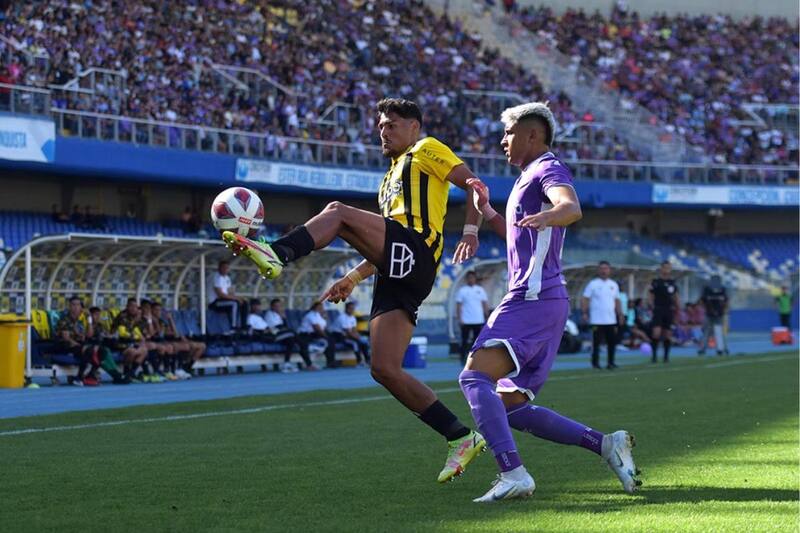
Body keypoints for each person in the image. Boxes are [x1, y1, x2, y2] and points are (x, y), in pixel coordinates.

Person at [223, 98, 485, 483]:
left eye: (392, 124)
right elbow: (383, 243)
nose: (384, 130)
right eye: (380, 125)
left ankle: (277, 253)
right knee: (384, 369)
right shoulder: (388, 180)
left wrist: (471, 230)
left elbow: (475, 185)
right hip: (396, 270)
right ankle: (460, 436)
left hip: (418, 251)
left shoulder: (426, 149)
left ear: (414, 127)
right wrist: (353, 278)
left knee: (338, 211)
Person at [463, 102, 640, 502]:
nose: (502, 140)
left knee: (474, 378)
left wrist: (554, 214)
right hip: (545, 299)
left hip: (532, 296)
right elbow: (520, 233)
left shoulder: (547, 168)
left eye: (509, 133)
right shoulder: (527, 178)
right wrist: (489, 212)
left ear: (532, 135)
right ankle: (605, 444)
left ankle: (513, 473)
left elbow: (570, 207)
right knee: (508, 405)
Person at [581, 261, 622, 369]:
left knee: (611, 342)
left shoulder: (613, 284)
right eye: (602, 268)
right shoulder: (593, 284)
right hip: (596, 320)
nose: (604, 271)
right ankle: (595, 363)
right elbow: (585, 298)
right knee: (596, 343)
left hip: (611, 320)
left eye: (606, 268)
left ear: (609, 270)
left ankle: (611, 362)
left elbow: (617, 300)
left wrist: (620, 314)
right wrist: (584, 312)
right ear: (598, 270)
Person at [54, 296, 100, 386]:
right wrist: (80, 345)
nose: (75, 307)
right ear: (69, 306)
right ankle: (79, 377)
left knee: (101, 350)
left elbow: (89, 335)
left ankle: (90, 375)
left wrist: (89, 320)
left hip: (78, 345)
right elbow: (66, 338)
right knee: (88, 350)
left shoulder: (81, 320)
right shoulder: (64, 319)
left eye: (78, 305)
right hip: (66, 345)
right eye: (73, 305)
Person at [265, 298, 319, 371]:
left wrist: (284, 319)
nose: (278, 308)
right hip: (275, 336)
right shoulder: (269, 314)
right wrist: (283, 320)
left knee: (292, 340)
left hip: (284, 336)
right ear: (272, 307)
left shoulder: (279, 315)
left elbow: (285, 327)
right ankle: (308, 347)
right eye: (276, 306)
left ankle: (305, 364)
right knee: (293, 333)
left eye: (279, 306)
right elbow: (278, 327)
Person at [152, 302, 202, 379]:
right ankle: (172, 370)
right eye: (156, 310)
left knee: (189, 345)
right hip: (157, 342)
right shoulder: (150, 320)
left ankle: (183, 368)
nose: (158, 312)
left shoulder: (162, 321)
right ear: (152, 310)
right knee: (174, 347)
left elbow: (175, 333)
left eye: (159, 310)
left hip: (165, 341)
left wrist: (170, 319)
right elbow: (159, 334)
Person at [648, 261, 680, 363]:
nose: (666, 269)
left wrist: (678, 310)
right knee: (656, 333)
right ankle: (654, 357)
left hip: (669, 310)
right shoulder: (655, 282)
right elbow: (650, 295)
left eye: (668, 268)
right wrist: (651, 306)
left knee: (668, 334)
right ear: (661, 269)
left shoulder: (673, 283)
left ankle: (666, 357)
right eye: (665, 267)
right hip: (658, 309)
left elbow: (676, 297)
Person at [455, 270, 489, 365]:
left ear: (475, 279)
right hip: (466, 320)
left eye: (472, 277)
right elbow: (458, 306)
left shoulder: (480, 290)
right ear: (467, 279)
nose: (471, 279)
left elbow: (484, 304)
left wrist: (487, 316)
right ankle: (462, 357)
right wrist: (459, 318)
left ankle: (475, 358)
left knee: (477, 340)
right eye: (469, 278)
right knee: (464, 339)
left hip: (478, 319)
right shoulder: (462, 290)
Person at [208, 260, 248, 330]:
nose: (225, 270)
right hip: (215, 302)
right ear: (219, 268)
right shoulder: (216, 277)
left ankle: (243, 325)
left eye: (227, 268)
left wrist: (238, 298)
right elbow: (220, 294)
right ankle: (233, 326)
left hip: (224, 300)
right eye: (223, 268)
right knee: (234, 303)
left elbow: (230, 292)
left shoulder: (227, 278)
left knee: (244, 303)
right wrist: (236, 299)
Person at [297, 302, 337, 369]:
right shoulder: (311, 315)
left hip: (313, 334)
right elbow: (317, 328)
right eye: (319, 308)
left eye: (322, 308)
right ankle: (309, 365)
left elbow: (323, 327)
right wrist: (326, 336)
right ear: (315, 308)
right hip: (304, 334)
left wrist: (324, 318)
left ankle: (331, 362)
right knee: (304, 346)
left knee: (331, 340)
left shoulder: (318, 315)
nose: (321, 309)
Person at [330, 301, 371, 366]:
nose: (352, 310)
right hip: (337, 336)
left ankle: (368, 360)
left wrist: (360, 337)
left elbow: (354, 330)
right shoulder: (342, 317)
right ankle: (359, 361)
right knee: (356, 343)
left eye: (353, 309)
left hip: (347, 335)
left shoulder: (352, 317)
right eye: (350, 309)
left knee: (364, 342)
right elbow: (347, 332)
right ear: (346, 309)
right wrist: (359, 338)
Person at [699, 275, 729, 356]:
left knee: (719, 331)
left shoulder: (722, 289)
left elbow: (726, 301)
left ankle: (721, 349)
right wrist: (706, 309)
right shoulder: (707, 289)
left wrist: (724, 311)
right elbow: (702, 301)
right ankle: (703, 349)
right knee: (706, 331)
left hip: (719, 314)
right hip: (709, 314)